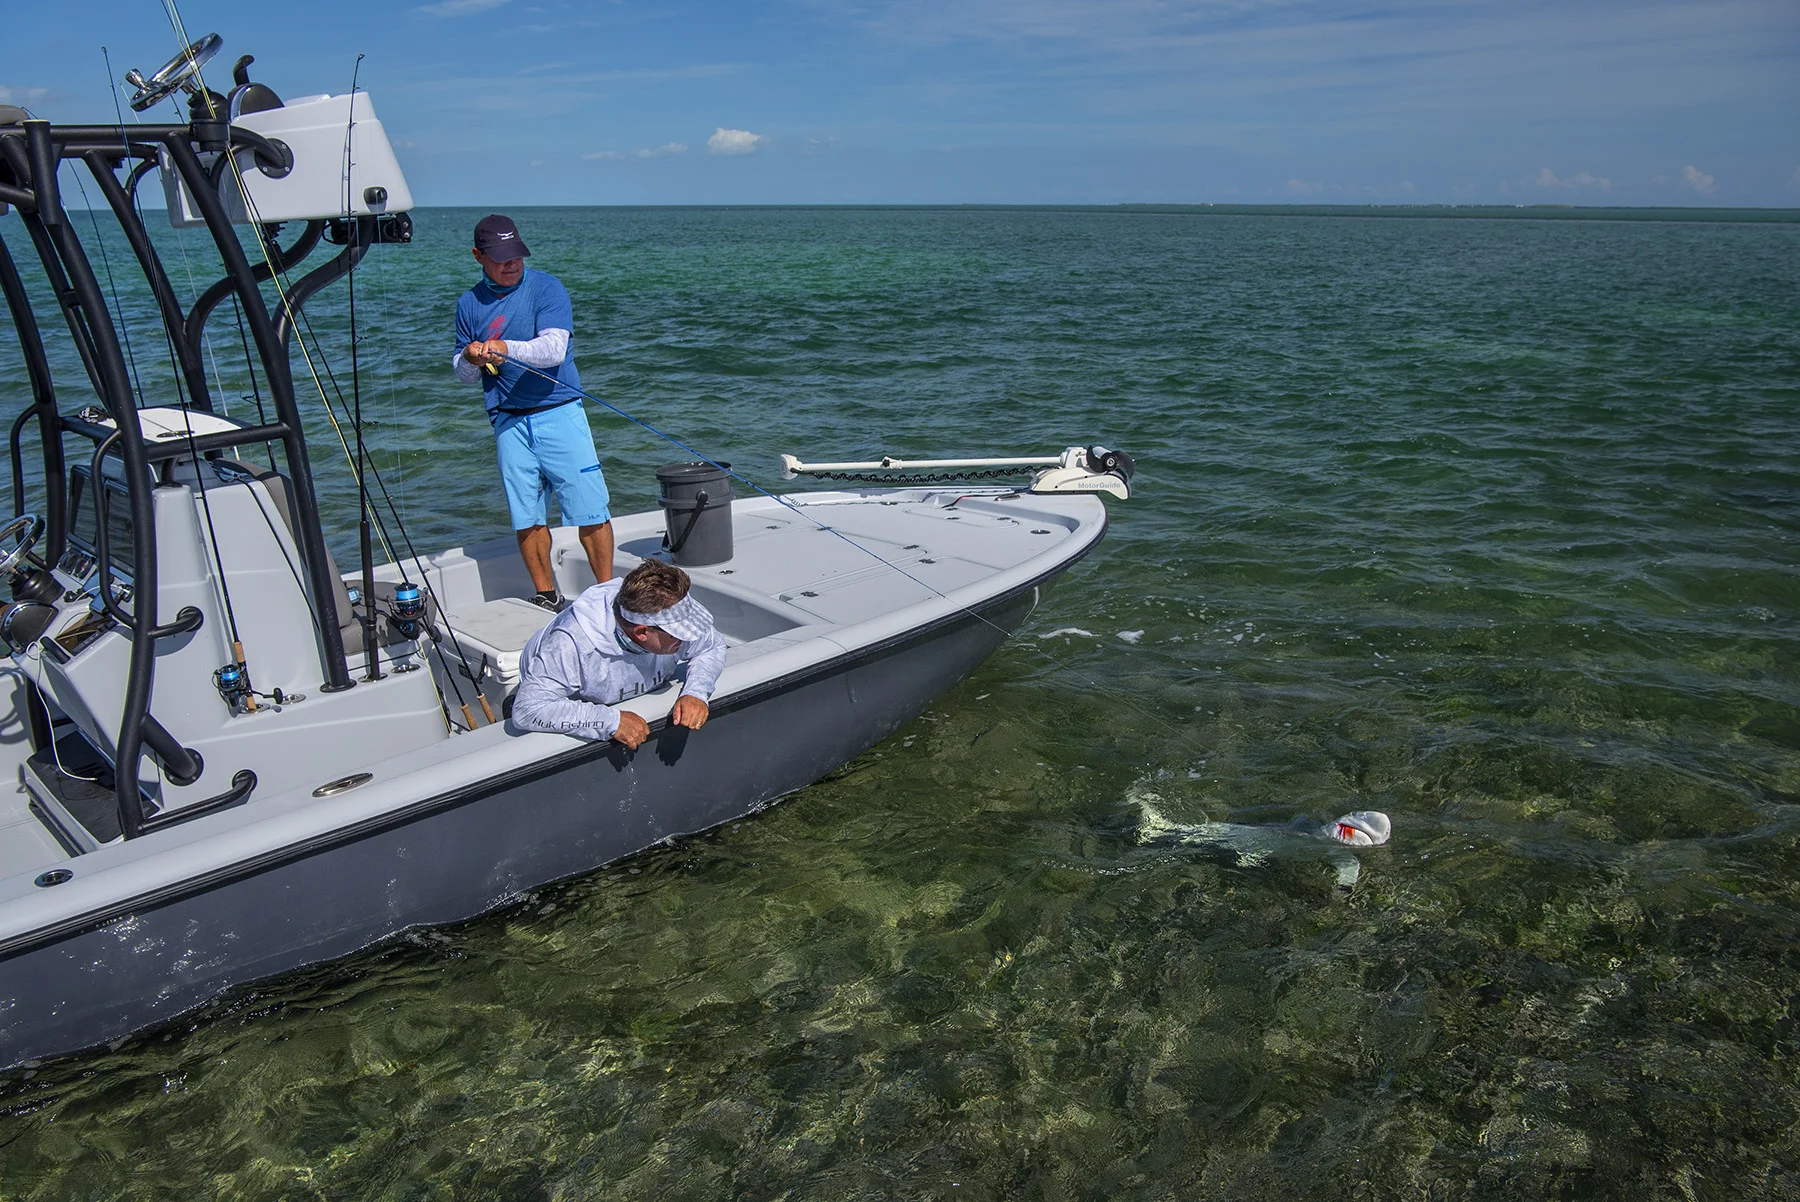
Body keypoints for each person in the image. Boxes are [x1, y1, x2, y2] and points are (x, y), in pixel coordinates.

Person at [453, 213, 613, 611]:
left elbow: (553, 349)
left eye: (517, 255)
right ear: (478, 256)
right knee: (526, 515)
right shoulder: (469, 303)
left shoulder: (546, 288)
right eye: (501, 257)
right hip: (508, 420)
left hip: (559, 411)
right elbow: (463, 374)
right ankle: (547, 594)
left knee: (588, 507)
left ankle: (607, 593)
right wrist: (471, 358)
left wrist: (505, 348)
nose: (512, 264)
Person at [510, 559, 727, 749]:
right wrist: (608, 721)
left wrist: (696, 691)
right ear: (642, 632)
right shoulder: (570, 645)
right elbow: (527, 709)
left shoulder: (668, 607)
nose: (689, 637)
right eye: (679, 633)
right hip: (563, 694)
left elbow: (712, 646)